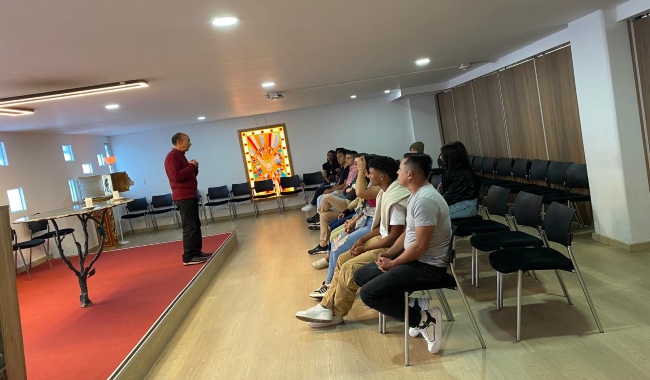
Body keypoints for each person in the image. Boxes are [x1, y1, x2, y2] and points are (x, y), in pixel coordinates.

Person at [354, 153, 452, 354]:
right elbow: (408, 235)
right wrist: (390, 254)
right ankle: (414, 304)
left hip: (428, 267)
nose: (396, 172)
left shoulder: (425, 200)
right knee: (361, 275)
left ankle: (425, 320)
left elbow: (419, 247)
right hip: (416, 259)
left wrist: (394, 263)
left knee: (369, 294)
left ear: (409, 174)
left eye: (400, 169)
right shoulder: (416, 194)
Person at [295, 155, 410, 327]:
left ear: (381, 176)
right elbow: (383, 227)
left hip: (392, 247)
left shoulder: (395, 197)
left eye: (369, 173)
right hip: (382, 239)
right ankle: (326, 306)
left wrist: (363, 247)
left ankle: (336, 313)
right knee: (342, 259)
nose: (367, 176)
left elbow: (395, 235)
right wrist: (363, 238)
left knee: (349, 268)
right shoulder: (385, 193)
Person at [164, 132, 208, 266]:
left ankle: (196, 252)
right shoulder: (171, 157)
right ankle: (188, 257)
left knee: (195, 225)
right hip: (183, 197)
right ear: (179, 142)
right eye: (187, 140)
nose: (190, 143)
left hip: (190, 194)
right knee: (189, 226)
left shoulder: (181, 156)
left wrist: (194, 168)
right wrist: (191, 166)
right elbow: (176, 177)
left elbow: (189, 175)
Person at [438, 141, 480, 219]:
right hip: (457, 203)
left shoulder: (461, 174)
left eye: (443, 155)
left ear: (451, 157)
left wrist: (432, 204)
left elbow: (450, 196)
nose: (440, 157)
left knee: (434, 218)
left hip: (466, 205)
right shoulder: (452, 170)